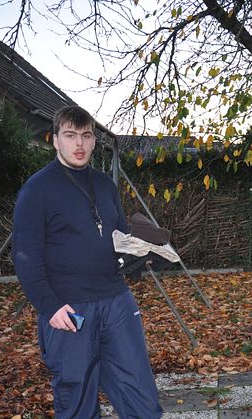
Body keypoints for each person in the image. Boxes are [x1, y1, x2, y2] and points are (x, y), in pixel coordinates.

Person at [11, 106, 162, 418]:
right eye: (70, 136)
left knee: (141, 394)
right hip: (69, 309)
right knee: (76, 398)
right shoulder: (37, 189)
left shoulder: (105, 185)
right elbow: (25, 255)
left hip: (116, 302)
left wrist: (145, 253)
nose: (78, 144)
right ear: (54, 140)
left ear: (94, 141)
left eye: (86, 136)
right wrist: (49, 305)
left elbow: (118, 239)